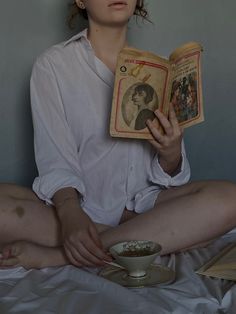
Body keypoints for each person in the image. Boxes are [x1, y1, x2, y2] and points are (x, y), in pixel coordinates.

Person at [0, 0, 236, 270]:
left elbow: (171, 177)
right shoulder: (53, 66)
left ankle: (62, 255)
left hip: (147, 205)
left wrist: (171, 153)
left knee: (231, 198)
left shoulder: (158, 70)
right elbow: (55, 157)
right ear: (80, 1)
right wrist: (71, 215)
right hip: (80, 207)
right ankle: (160, 236)